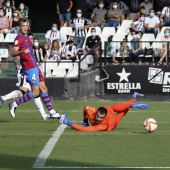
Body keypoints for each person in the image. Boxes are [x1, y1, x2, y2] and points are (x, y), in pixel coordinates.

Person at [9, 18, 59, 119]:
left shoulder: (27, 37)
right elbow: (13, 53)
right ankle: (14, 104)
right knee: (36, 92)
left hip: (35, 66)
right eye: (23, 26)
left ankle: (52, 111)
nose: (25, 28)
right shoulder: (19, 38)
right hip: (29, 68)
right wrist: (22, 51)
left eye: (26, 26)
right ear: (19, 27)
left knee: (44, 88)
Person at [58, 92, 149, 132]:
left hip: (113, 121)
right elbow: (85, 107)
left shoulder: (103, 125)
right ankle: (133, 98)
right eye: (98, 116)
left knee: (125, 109)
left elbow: (84, 130)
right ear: (96, 112)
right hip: (109, 108)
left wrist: (68, 122)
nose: (98, 119)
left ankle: (133, 100)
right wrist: (85, 121)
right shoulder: (92, 111)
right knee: (112, 107)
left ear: (104, 117)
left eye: (101, 118)